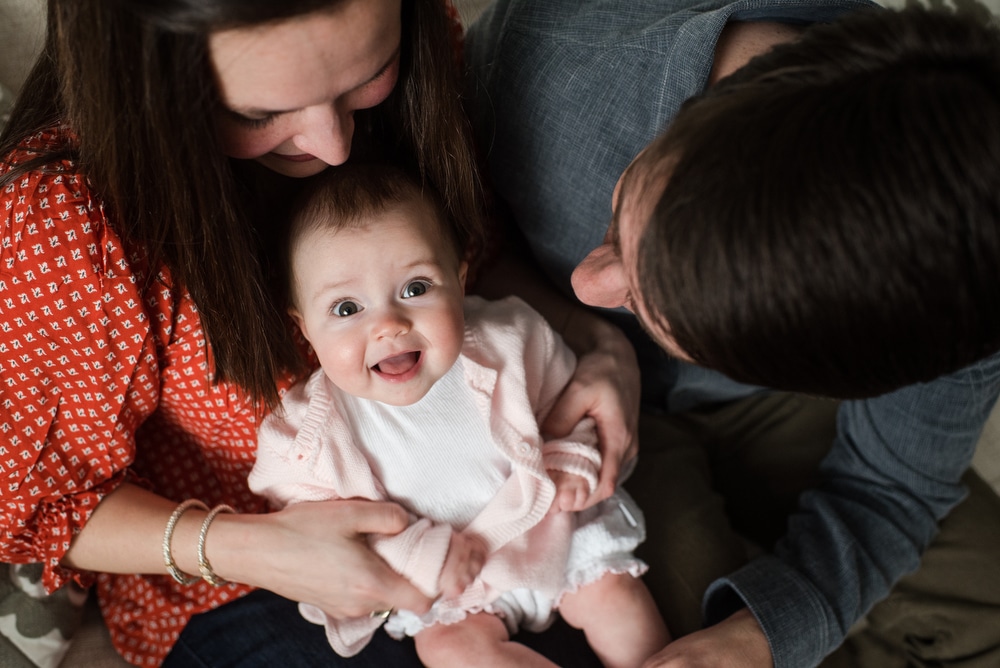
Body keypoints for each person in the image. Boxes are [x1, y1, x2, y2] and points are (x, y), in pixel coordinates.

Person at [0, 1, 639, 666]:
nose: (334, 145)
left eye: (368, 75)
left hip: (489, 502)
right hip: (235, 580)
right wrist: (252, 547)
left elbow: (477, 270)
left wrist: (597, 345)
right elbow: (34, 503)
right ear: (155, 85)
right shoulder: (63, 224)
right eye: (260, 115)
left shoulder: (422, 55)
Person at [465, 2, 1000, 667]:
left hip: (772, 412)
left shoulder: (963, 281)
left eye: (645, 299)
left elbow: (891, 490)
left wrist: (757, 639)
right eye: (617, 228)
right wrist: (587, 336)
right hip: (565, 392)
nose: (590, 283)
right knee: (671, 624)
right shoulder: (537, 59)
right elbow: (436, 241)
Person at [248, 163, 670, 667]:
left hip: (552, 531)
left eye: (416, 288)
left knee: (615, 598)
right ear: (304, 328)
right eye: (345, 309)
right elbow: (316, 528)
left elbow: (568, 400)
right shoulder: (304, 437)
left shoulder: (509, 339)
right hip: (454, 584)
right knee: (450, 651)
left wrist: (571, 456)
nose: (389, 325)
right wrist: (416, 555)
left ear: (460, 280)